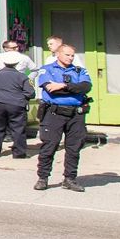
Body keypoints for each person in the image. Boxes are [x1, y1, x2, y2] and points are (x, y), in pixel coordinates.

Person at [34, 44, 92, 192]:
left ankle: (70, 179)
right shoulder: (47, 69)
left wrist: (63, 86)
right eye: (67, 55)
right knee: (49, 146)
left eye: (72, 55)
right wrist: (73, 88)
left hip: (76, 114)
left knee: (74, 148)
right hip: (54, 113)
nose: (70, 58)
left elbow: (85, 87)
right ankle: (43, 178)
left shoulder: (79, 70)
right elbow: (51, 90)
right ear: (58, 54)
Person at [0, 50, 35, 158]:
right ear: (17, 63)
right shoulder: (22, 76)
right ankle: (19, 153)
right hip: (17, 104)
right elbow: (30, 93)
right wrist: (21, 96)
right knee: (18, 129)